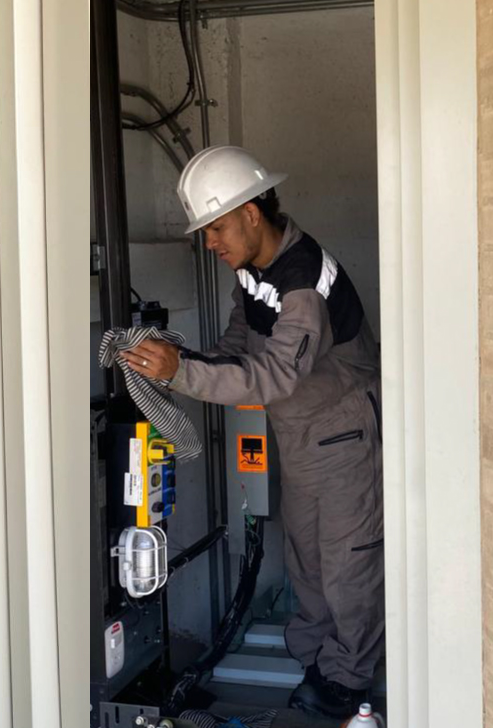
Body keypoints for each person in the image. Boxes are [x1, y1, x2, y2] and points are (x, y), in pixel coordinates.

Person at [122, 146, 384, 719]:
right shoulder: (251, 270)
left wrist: (183, 373)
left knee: (348, 561)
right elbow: (238, 345)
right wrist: (179, 363)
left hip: (344, 433)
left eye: (215, 227)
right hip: (299, 434)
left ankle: (347, 681)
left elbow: (277, 373)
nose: (209, 242)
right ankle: (316, 662)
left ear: (250, 212)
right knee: (306, 558)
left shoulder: (302, 279)